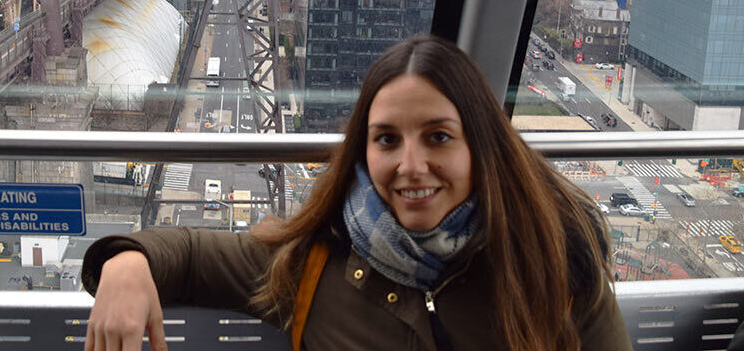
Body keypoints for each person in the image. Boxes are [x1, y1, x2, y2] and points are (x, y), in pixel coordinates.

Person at [81, 34, 632, 350]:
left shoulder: (554, 267)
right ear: (364, 152)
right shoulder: (313, 263)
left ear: (480, 145)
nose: (410, 166)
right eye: (387, 139)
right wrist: (126, 263)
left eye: (438, 136)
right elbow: (194, 256)